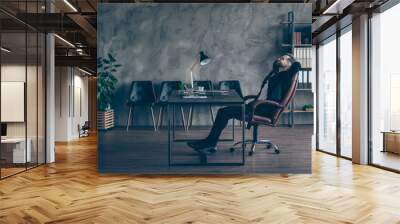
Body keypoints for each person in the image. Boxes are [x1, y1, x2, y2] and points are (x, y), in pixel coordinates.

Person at [187, 54, 301, 154]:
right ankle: (209, 142)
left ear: (290, 63)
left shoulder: (286, 76)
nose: (278, 59)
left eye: (282, 58)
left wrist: (293, 61)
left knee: (223, 112)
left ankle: (210, 143)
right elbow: (271, 79)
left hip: (261, 109)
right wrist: (277, 64)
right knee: (223, 112)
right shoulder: (279, 75)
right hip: (257, 106)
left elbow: (297, 66)